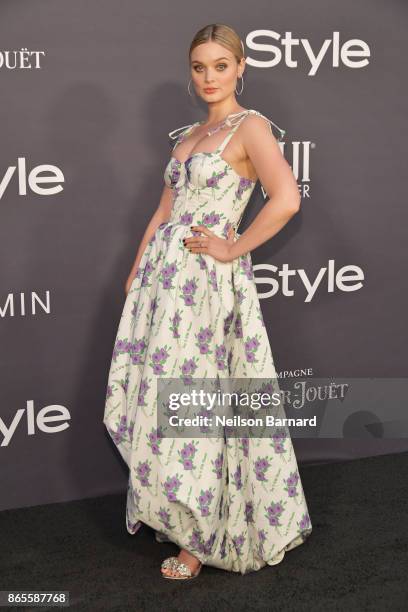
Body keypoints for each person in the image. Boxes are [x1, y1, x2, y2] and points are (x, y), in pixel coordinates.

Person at [103, 23, 312, 580]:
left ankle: (198, 539)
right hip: (162, 284)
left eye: (221, 65)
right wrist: (135, 271)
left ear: (241, 67)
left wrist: (234, 246)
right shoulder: (188, 137)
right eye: (200, 67)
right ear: (190, 73)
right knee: (159, 399)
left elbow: (286, 198)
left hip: (206, 286)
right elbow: (163, 211)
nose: (210, 77)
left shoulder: (252, 128)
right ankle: (176, 515)